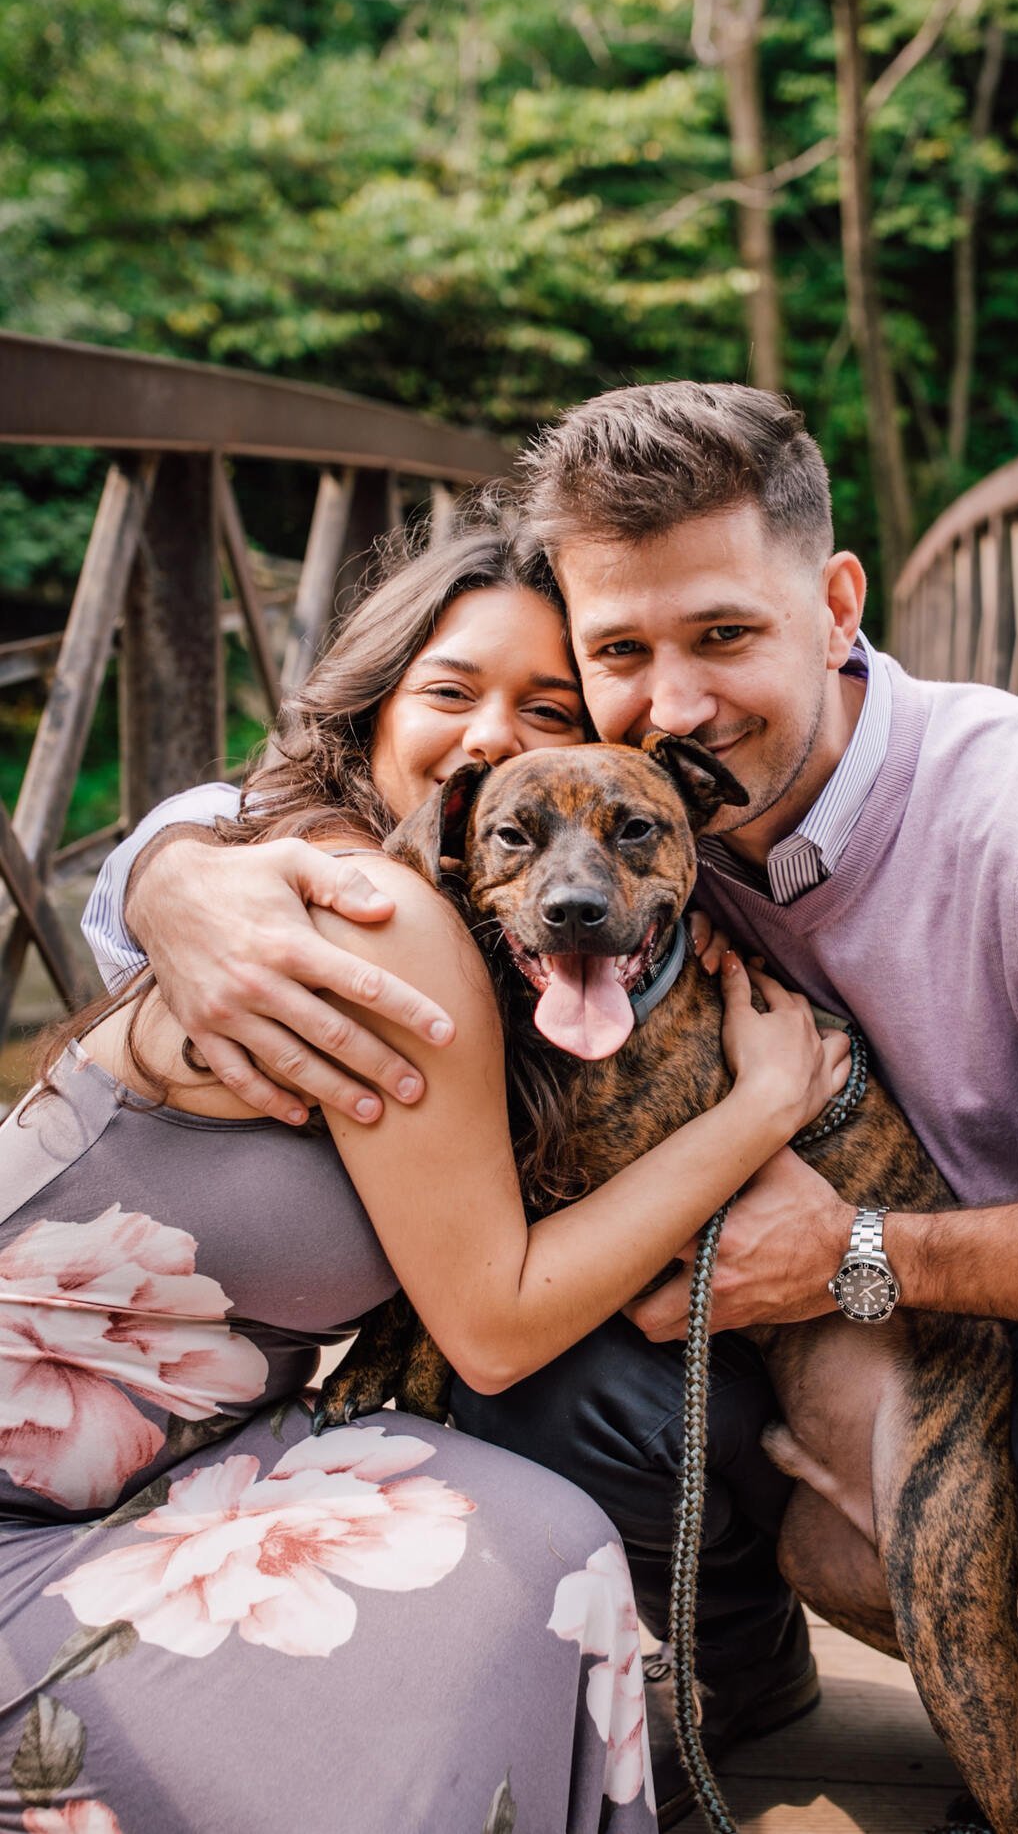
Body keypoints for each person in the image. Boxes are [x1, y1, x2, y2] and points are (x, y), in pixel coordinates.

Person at [79, 387, 1018, 1834]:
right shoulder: (604, 814)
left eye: (725, 635)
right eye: (618, 654)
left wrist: (863, 1252)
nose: (675, 705)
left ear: (835, 601)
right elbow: (301, 819)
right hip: (727, 1324)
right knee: (532, 1380)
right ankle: (736, 1659)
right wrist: (172, 877)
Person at [1, 510, 849, 1834]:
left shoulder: (412, 884)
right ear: (374, 703)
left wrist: (162, 861)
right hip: (31, 1498)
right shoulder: (367, 909)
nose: (496, 741)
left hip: (168, 1464)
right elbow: (497, 1326)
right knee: (506, 1583)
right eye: (452, 691)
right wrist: (760, 1112)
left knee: (543, 1546)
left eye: (551, 705)